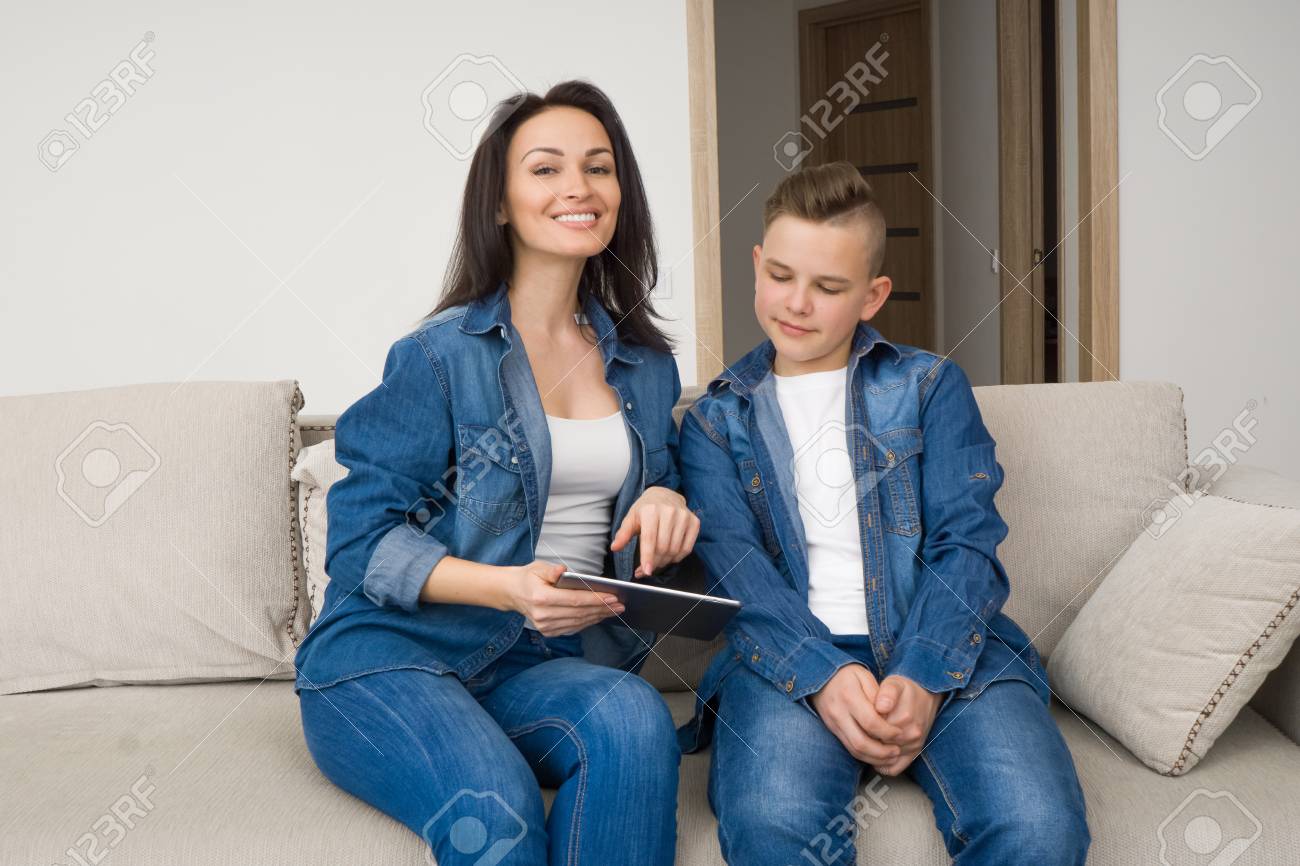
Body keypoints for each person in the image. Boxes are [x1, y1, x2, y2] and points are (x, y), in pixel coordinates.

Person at [294, 80, 699, 866]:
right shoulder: (440, 358)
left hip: (541, 664)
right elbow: (358, 542)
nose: (578, 187)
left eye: (599, 167)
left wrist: (663, 493)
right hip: (391, 657)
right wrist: (507, 587)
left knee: (633, 717)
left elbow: (666, 485)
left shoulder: (646, 367)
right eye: (546, 169)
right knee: (497, 808)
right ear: (502, 203)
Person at [676, 161, 1090, 865]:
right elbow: (737, 574)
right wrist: (823, 675)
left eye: (828, 287)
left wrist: (924, 676)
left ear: (873, 296)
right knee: (773, 826)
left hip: (950, 649)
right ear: (755, 264)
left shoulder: (929, 386)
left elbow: (968, 544)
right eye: (780, 275)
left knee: (1037, 826)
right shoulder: (716, 421)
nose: (797, 303)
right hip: (785, 660)